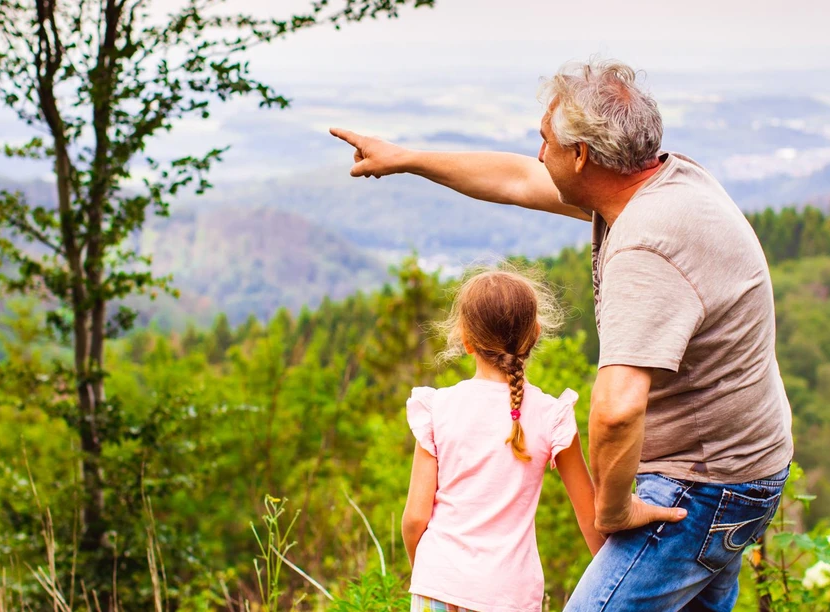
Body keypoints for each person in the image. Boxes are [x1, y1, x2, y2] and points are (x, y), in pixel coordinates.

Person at [332, 58, 793, 611]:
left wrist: (616, 510)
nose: (538, 153)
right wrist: (408, 159)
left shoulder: (647, 243)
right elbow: (516, 180)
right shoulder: (661, 183)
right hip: (743, 469)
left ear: (581, 156)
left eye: (545, 140)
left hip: (701, 486)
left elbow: (617, 408)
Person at [402, 268, 606, 612]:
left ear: (465, 339)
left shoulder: (437, 408)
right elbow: (591, 519)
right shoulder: (551, 415)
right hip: (510, 596)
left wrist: (425, 570)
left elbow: (414, 519)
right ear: (535, 335)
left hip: (437, 584)